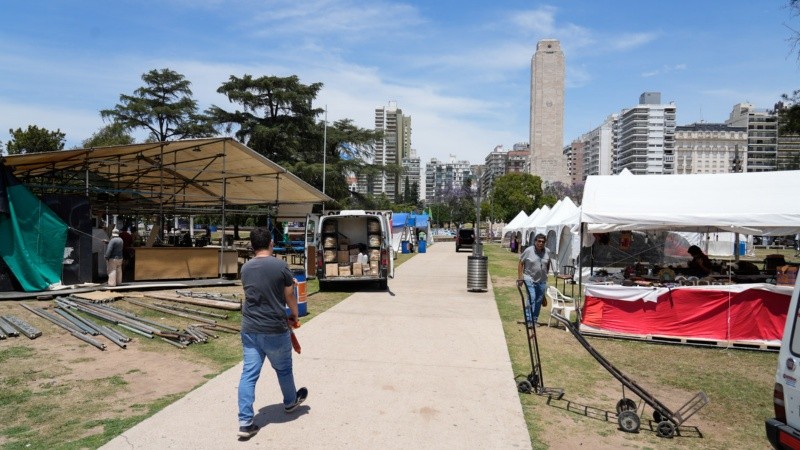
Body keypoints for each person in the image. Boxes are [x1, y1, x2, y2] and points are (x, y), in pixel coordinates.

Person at [237, 227, 307, 440]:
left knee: (249, 374)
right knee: (284, 369)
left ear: (251, 246)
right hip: (274, 328)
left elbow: (256, 291)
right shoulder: (280, 266)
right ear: (270, 243)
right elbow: (289, 296)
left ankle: (245, 422)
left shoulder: (245, 268)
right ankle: (289, 402)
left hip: (250, 328)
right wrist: (295, 316)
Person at [518, 233, 551, 327]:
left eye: (543, 242)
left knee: (538, 300)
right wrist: (520, 278)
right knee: (531, 297)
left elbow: (548, 263)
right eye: (539, 241)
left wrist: (546, 273)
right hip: (529, 278)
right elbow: (520, 263)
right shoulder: (528, 250)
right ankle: (529, 320)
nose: (540, 243)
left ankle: (535, 320)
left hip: (542, 280)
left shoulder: (547, 251)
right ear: (535, 241)